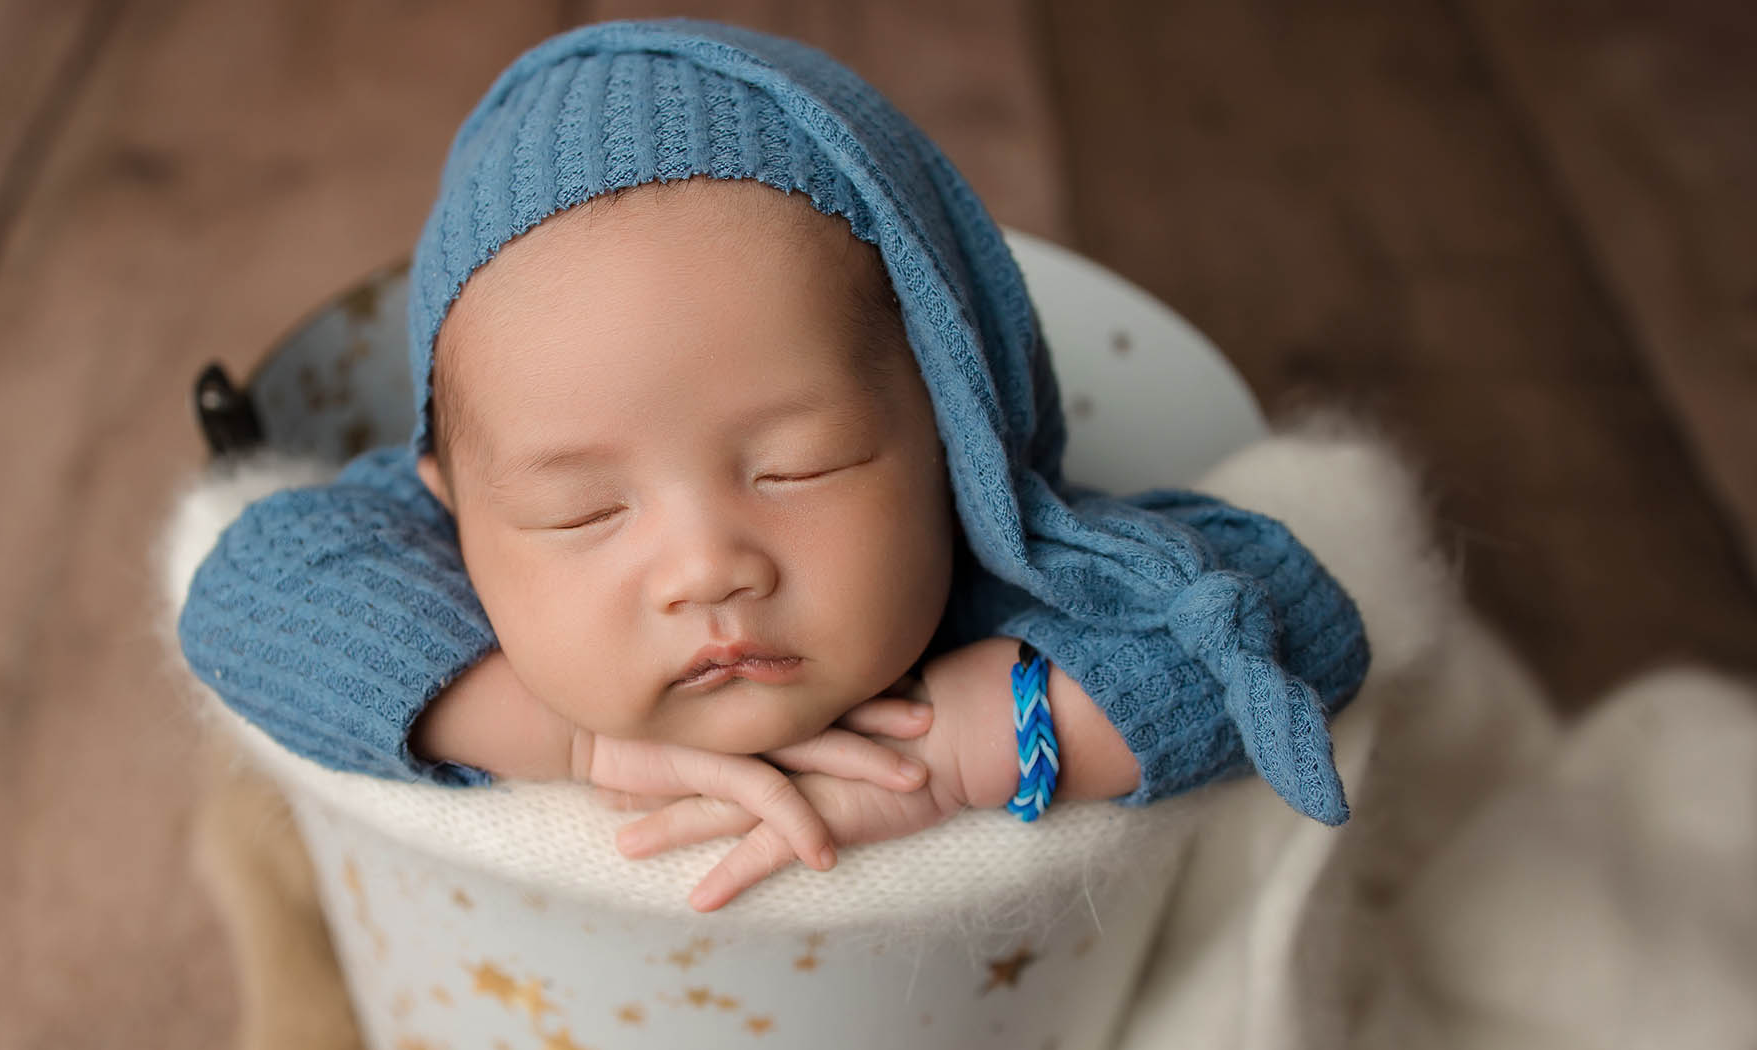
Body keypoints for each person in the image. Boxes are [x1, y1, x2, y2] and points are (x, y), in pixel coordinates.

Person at [178, 19, 1370, 910]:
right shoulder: (432, 556)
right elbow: (249, 595)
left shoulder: (1003, 562)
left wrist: (961, 746)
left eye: (799, 465)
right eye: (581, 509)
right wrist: (568, 739)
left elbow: (1288, 622)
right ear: (455, 508)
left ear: (952, 430)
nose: (706, 567)